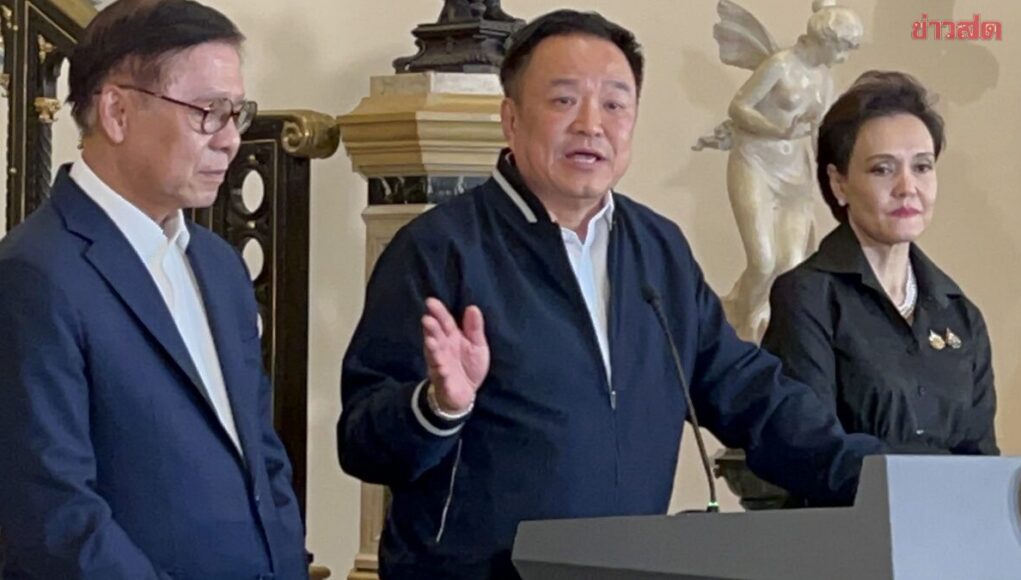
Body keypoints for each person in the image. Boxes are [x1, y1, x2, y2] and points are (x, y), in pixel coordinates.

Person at [338, 9, 883, 580]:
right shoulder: (438, 248)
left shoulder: (658, 249)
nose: (591, 124)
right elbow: (360, 442)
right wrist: (438, 405)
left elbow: (751, 394)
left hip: (624, 568)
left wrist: (874, 474)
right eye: (564, 100)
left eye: (615, 104)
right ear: (511, 119)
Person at [0, 1, 307, 578]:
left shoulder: (219, 265)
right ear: (117, 112)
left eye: (237, 113)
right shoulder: (34, 275)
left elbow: (263, 460)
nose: (230, 141)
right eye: (209, 112)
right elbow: (53, 516)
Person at [763, 71, 998, 460]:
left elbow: (982, 458)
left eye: (922, 167)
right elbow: (812, 449)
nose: (907, 187)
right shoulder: (807, 297)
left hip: (952, 503)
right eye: (882, 169)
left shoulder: (960, 315)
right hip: (856, 500)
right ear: (839, 183)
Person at [706, 0, 864, 342]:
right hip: (757, 162)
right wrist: (776, 130)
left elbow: (821, 130)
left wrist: (841, 170)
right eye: (842, 48)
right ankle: (737, 322)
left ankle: (771, 335)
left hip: (796, 172)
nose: (843, 58)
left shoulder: (824, 79)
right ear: (825, 39)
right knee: (763, 261)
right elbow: (739, 107)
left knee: (792, 267)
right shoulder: (780, 65)